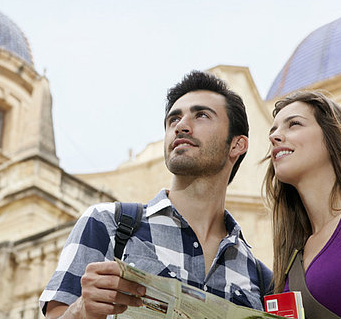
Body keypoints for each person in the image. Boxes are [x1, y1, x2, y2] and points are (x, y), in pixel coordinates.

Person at [40, 70, 272, 318]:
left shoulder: (260, 277)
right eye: (174, 119)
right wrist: (81, 309)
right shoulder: (108, 224)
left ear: (237, 144)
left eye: (201, 115)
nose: (181, 126)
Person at [265, 91, 341, 318]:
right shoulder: (293, 251)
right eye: (273, 130)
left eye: (294, 124)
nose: (275, 136)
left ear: (333, 137)